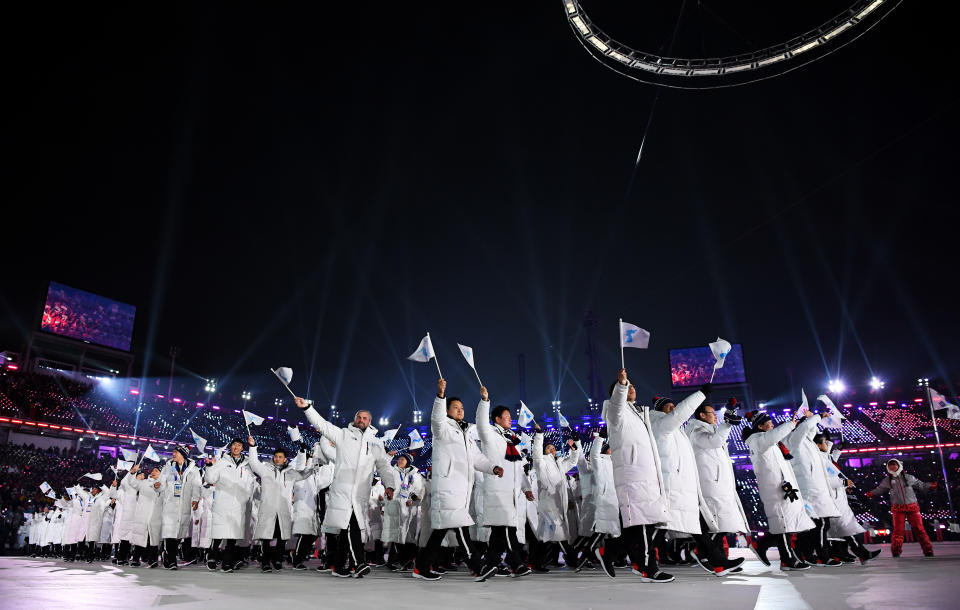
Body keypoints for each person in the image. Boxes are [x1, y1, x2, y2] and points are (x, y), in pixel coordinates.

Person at [294, 396, 398, 578]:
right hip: (343, 492)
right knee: (352, 528)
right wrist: (307, 408)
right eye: (359, 417)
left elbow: (384, 467)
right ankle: (359, 563)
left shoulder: (376, 443)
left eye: (365, 418)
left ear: (370, 422)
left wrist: (389, 485)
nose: (361, 420)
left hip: (360, 493)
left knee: (346, 530)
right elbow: (323, 425)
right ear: (354, 419)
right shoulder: (343, 435)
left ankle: (338, 566)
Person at [413, 378, 503, 581]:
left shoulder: (466, 433)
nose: (460, 410)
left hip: (461, 489)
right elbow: (436, 420)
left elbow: (477, 458)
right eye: (455, 407)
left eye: (462, 407)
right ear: (447, 410)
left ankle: (421, 567)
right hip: (448, 487)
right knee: (462, 526)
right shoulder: (443, 429)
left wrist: (492, 467)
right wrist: (440, 396)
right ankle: (478, 567)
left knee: (439, 532)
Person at [650, 389, 743, 577]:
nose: (674, 409)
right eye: (670, 407)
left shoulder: (679, 431)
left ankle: (718, 562)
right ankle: (631, 557)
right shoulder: (667, 426)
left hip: (684, 487)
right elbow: (714, 441)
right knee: (659, 529)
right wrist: (701, 394)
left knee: (698, 526)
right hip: (671, 487)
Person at [602, 368, 673, 583]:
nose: (632, 387)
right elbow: (616, 406)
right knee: (642, 525)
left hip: (648, 475)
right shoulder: (615, 413)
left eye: (632, 385)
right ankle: (649, 569)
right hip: (632, 475)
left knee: (646, 525)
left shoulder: (639, 414)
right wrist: (621, 385)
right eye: (627, 385)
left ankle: (611, 551)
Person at [742, 409, 814, 571]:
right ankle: (786, 559)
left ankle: (762, 545)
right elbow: (774, 435)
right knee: (782, 523)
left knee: (788, 522)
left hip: (784, 487)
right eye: (769, 423)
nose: (773, 425)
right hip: (774, 488)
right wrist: (791, 424)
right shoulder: (759, 440)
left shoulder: (770, 442)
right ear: (760, 426)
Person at [474, 389, 534, 580]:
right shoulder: (490, 435)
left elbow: (519, 469)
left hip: (512, 492)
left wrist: (526, 489)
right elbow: (482, 424)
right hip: (498, 490)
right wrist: (485, 402)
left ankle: (489, 565)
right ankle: (515, 563)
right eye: (506, 417)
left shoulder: (512, 441)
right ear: (497, 419)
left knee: (498, 535)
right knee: (508, 530)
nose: (510, 419)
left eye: (510, 417)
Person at [686, 401, 750, 575]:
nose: (715, 415)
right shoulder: (696, 431)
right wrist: (727, 423)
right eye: (711, 412)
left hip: (719, 483)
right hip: (709, 485)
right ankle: (712, 558)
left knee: (722, 523)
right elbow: (714, 442)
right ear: (702, 415)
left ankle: (718, 560)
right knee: (717, 523)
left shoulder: (708, 430)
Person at [783, 409, 841, 566]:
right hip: (807, 490)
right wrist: (817, 416)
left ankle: (807, 554)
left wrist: (812, 419)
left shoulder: (809, 443)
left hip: (817, 490)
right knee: (817, 524)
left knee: (815, 524)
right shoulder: (793, 439)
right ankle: (820, 555)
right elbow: (804, 428)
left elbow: (810, 429)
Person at [245, 436, 311, 572]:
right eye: (276, 456)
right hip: (268, 508)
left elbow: (304, 473)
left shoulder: (291, 473)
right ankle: (265, 562)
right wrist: (252, 447)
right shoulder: (265, 470)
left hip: (283, 510)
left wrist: (307, 456)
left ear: (285, 459)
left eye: (280, 457)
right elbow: (253, 462)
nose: (277, 459)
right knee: (265, 538)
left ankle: (277, 559)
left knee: (282, 538)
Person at [816, 434, 881, 564]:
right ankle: (861, 553)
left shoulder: (823, 457)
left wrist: (838, 448)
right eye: (825, 442)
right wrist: (843, 483)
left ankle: (847, 554)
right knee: (845, 527)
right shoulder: (818, 459)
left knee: (844, 528)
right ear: (818, 445)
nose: (827, 444)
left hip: (838, 498)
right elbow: (825, 480)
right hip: (833, 499)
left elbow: (830, 460)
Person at [531, 423, 579, 572]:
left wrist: (574, 448)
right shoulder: (542, 462)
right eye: (548, 448)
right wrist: (539, 436)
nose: (552, 450)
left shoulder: (559, 463)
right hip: (548, 504)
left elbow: (572, 461)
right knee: (557, 534)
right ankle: (572, 560)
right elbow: (537, 455)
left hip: (558, 504)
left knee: (549, 536)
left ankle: (537, 562)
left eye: (553, 448)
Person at [865, 459, 937, 557]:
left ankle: (928, 550)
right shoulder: (888, 480)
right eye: (890, 466)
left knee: (919, 529)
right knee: (898, 531)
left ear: (899, 466)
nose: (892, 467)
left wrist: (931, 486)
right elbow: (879, 489)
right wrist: (870, 494)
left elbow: (921, 485)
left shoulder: (909, 477)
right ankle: (896, 551)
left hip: (912, 507)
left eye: (894, 465)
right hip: (898, 508)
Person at [204, 438, 256, 572]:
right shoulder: (222, 462)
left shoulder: (248, 465)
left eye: (239, 445)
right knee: (218, 534)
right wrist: (209, 467)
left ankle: (227, 563)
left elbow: (251, 483)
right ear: (231, 447)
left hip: (239, 505)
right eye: (234, 445)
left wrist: (247, 497)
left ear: (242, 448)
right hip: (223, 502)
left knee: (232, 537)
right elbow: (210, 479)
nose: (236, 447)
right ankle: (212, 556)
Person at [291, 440, 336, 570]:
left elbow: (323, 482)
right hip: (307, 506)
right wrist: (303, 452)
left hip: (316, 506)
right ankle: (297, 558)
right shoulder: (302, 471)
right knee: (307, 533)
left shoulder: (317, 471)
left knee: (315, 534)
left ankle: (301, 557)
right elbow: (300, 466)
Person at [159, 447, 202, 569]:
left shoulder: (193, 469)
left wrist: (195, 499)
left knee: (179, 533)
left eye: (176, 452)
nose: (173, 454)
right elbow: (161, 482)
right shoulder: (168, 467)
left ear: (183, 454)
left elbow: (197, 485)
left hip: (184, 505)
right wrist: (158, 485)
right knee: (170, 532)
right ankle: (170, 559)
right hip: (171, 504)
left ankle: (166, 554)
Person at [382, 452, 425, 572]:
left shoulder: (415, 475)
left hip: (410, 509)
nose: (400, 460)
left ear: (408, 462)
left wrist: (414, 498)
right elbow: (384, 466)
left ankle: (407, 560)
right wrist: (389, 456)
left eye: (403, 459)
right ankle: (394, 561)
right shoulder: (393, 472)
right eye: (399, 459)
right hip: (395, 506)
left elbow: (420, 490)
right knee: (396, 534)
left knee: (409, 536)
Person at [128, 465, 164, 568]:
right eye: (153, 470)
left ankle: (152, 559)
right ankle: (135, 559)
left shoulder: (164, 485)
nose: (153, 472)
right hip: (143, 515)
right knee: (140, 537)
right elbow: (132, 483)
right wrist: (132, 473)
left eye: (156, 471)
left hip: (155, 515)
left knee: (153, 539)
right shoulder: (144, 483)